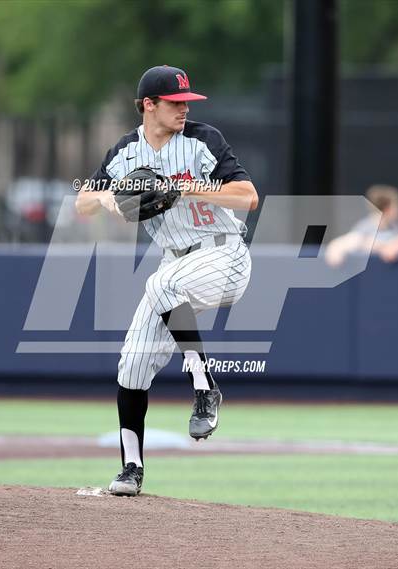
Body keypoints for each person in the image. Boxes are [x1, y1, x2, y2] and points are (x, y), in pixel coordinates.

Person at [75, 65, 258, 496]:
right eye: (174, 103)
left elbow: (247, 196)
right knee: (132, 365)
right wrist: (109, 198)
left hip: (224, 254)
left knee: (160, 285)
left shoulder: (202, 140)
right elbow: (82, 201)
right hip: (175, 264)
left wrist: (188, 188)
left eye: (185, 102)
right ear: (148, 106)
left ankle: (203, 384)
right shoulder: (125, 152)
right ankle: (131, 469)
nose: (183, 109)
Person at [325, 185, 398, 267]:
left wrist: (396, 245)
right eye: (396, 206)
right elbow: (343, 243)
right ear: (387, 208)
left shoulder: (396, 226)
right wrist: (381, 247)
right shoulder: (366, 226)